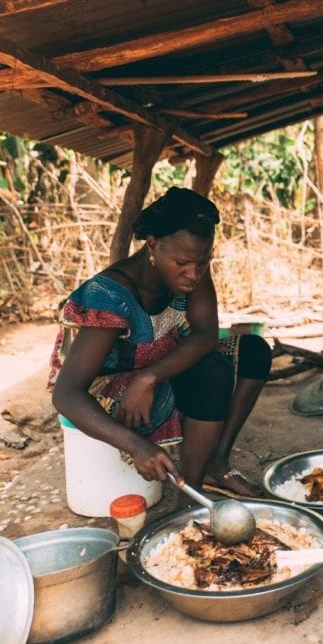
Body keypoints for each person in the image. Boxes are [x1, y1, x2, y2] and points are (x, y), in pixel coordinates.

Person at [49, 188, 272, 501]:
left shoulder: (192, 267)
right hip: (108, 396)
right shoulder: (109, 297)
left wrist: (149, 377)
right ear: (153, 243)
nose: (193, 274)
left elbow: (207, 334)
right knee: (213, 373)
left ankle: (212, 467)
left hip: (151, 374)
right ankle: (190, 497)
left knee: (252, 352)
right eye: (181, 262)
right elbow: (66, 394)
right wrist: (139, 447)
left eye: (203, 262)